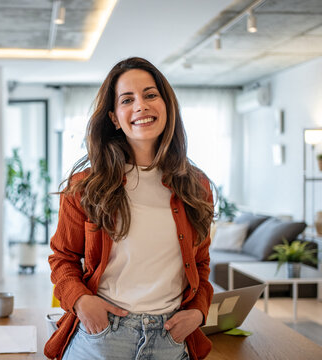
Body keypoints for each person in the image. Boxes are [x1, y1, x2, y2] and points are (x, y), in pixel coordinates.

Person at [44, 57, 214, 360]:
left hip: (171, 337)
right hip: (103, 335)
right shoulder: (85, 186)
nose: (141, 106)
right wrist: (82, 302)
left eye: (150, 95)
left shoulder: (196, 186)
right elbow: (63, 258)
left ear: (166, 105)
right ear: (114, 117)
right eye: (127, 99)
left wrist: (199, 313)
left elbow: (200, 264)